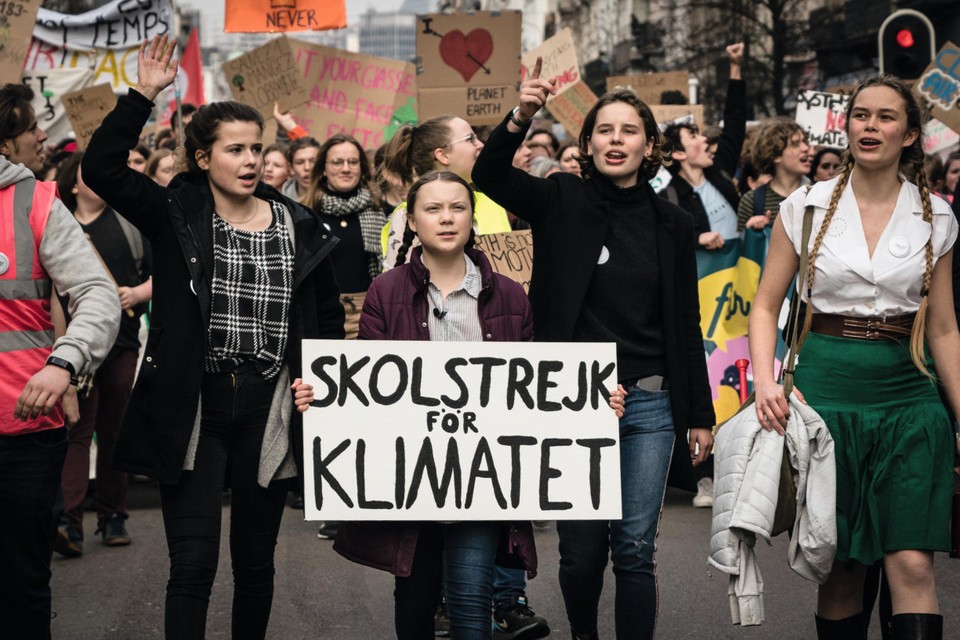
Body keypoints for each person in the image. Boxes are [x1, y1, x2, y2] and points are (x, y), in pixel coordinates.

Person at [81, 35, 344, 640]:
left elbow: (324, 320)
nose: (251, 160)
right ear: (204, 160)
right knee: (192, 565)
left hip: (269, 410)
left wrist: (317, 384)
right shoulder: (176, 214)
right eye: (236, 150)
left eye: (258, 148)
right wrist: (142, 95)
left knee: (255, 564)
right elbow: (100, 169)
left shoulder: (301, 226)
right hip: (195, 407)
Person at [472, 59, 715, 640]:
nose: (616, 141)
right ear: (587, 142)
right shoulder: (563, 198)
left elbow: (686, 321)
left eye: (629, 130)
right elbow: (489, 177)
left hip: (651, 405)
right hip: (573, 404)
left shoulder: (674, 225)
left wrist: (701, 416)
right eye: (604, 130)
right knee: (581, 554)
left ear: (650, 145)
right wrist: (522, 114)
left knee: (634, 547)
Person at [330, 171, 624, 640]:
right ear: (413, 219)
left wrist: (590, 399)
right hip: (414, 482)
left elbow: (532, 387)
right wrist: (325, 395)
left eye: (457, 208)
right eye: (433, 209)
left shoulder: (510, 294)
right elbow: (366, 381)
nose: (446, 218)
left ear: (472, 218)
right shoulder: (386, 291)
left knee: (471, 604)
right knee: (415, 602)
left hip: (480, 483)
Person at [749, 75, 959, 640]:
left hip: (908, 396)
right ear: (848, 125)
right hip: (826, 397)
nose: (871, 126)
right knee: (840, 570)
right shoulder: (805, 207)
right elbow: (766, 306)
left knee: (912, 563)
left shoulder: (936, 215)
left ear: (911, 134)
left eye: (886, 117)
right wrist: (767, 382)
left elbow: (942, 329)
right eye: (861, 115)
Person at [0, 82, 120, 640]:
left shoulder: (38, 202)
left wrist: (64, 363)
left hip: (22, 429)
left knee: (21, 579)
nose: (40, 135)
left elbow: (97, 293)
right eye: (29, 128)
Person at [53, 151, 153, 557]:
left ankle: (113, 515)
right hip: (72, 344)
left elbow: (166, 270)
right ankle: (69, 522)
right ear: (73, 184)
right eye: (85, 172)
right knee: (77, 428)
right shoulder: (59, 224)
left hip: (122, 340)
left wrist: (139, 292)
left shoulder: (130, 224)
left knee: (114, 428)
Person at [380, 116, 511, 269]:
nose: (480, 144)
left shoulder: (492, 202)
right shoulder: (407, 214)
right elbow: (396, 286)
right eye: (470, 139)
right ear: (443, 155)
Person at [661, 42, 745, 255]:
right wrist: (697, 238)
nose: (704, 140)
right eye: (693, 136)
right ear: (679, 153)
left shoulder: (720, 170)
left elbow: (734, 123)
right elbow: (662, 240)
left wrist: (735, 67)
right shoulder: (668, 197)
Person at [737, 116, 812, 231]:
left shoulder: (820, 196)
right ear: (776, 155)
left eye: (805, 142)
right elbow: (742, 247)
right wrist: (750, 231)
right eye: (796, 144)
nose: (806, 148)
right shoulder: (752, 201)